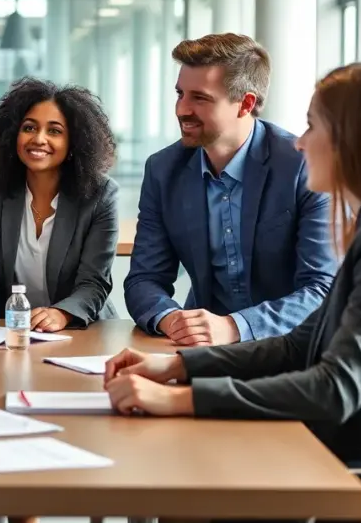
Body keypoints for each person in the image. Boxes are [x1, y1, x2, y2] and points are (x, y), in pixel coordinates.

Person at [104, 60, 361, 523]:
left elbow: (336, 386)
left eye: (315, 126)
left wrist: (178, 398)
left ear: (355, 139)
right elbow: (300, 345)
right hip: (347, 457)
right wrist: (175, 365)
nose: (300, 141)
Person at [124, 33, 336, 346]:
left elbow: (322, 289)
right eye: (180, 94)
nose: (182, 109)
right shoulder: (163, 169)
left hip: (290, 348)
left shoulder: (301, 166)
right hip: (203, 350)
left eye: (200, 98)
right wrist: (170, 318)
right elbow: (145, 278)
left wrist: (236, 327)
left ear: (246, 103)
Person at [0, 78, 119, 332]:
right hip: (10, 329)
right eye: (29, 128)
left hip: (82, 331)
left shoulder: (101, 194)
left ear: (74, 142)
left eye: (54, 131)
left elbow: (93, 283)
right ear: (13, 134)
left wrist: (61, 314)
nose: (39, 139)